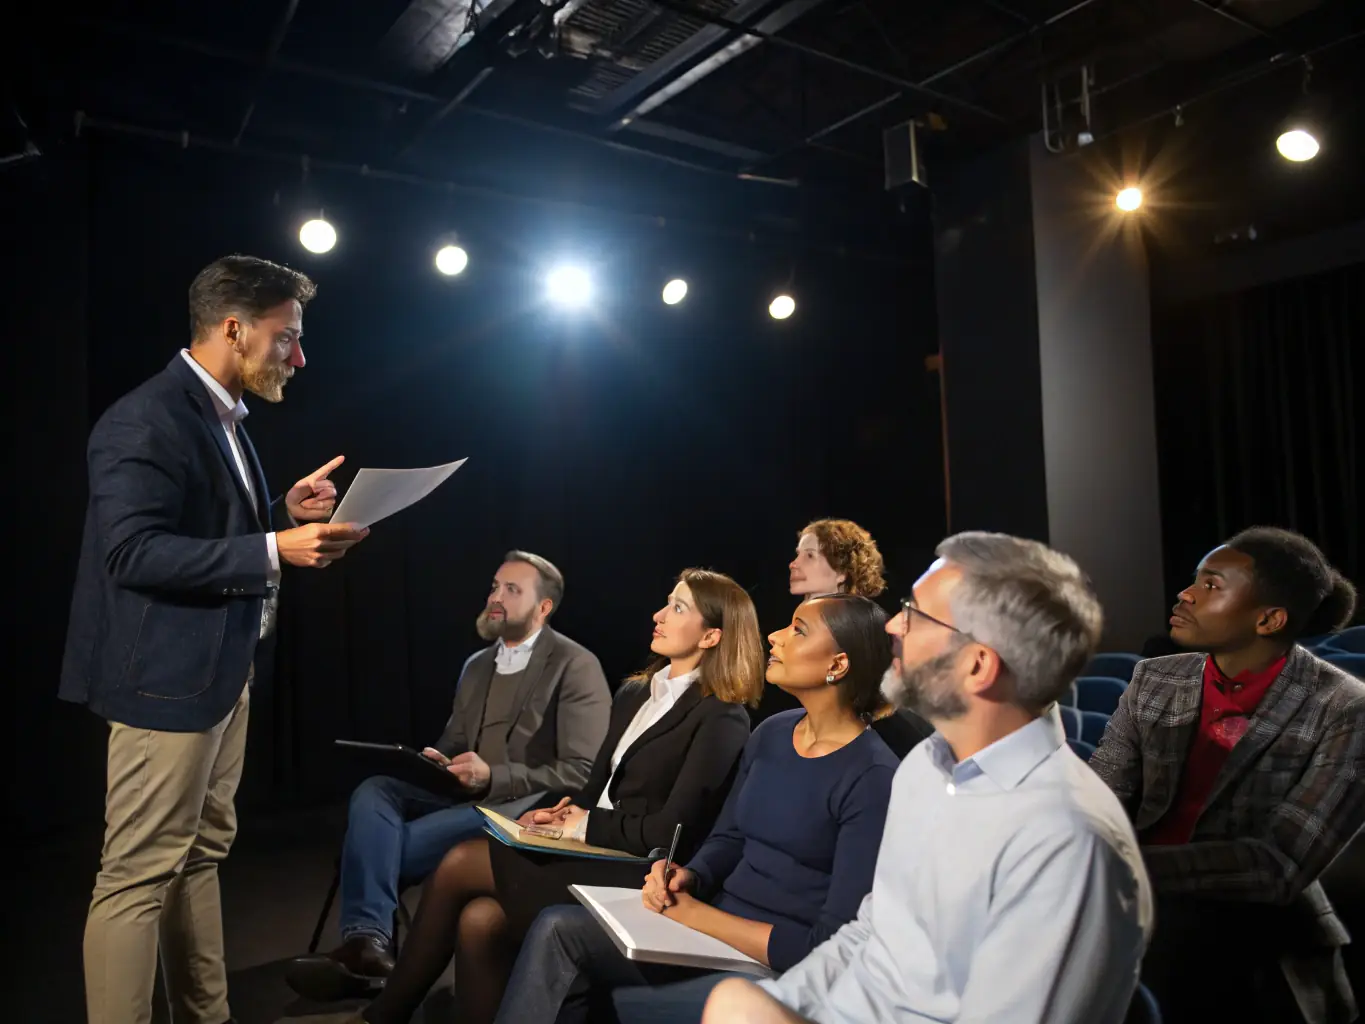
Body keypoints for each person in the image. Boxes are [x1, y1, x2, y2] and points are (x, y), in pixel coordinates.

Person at [59, 254, 369, 1024]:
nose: (299, 356)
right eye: (286, 338)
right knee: (136, 876)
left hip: (220, 676)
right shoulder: (145, 418)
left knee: (199, 857)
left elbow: (200, 524)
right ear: (234, 329)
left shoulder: (221, 414)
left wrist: (276, 510)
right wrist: (274, 548)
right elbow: (131, 553)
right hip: (164, 682)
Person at [703, 532, 1153, 1024]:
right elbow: (869, 934)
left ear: (977, 665)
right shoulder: (925, 766)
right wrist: (781, 1005)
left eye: (916, 615)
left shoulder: (1068, 839)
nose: (894, 624)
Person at [344, 569, 763, 1024]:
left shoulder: (722, 715)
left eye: (678, 608)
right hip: (591, 848)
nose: (659, 614)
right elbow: (594, 787)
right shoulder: (636, 692)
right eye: (666, 601)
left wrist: (582, 824)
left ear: (712, 636)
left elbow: (670, 833)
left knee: (462, 862)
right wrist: (566, 811)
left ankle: (382, 1015)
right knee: (479, 920)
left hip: (637, 871)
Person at [494, 592, 902, 1024]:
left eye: (797, 630)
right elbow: (730, 837)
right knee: (557, 927)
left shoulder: (873, 777)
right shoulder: (774, 733)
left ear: (837, 665)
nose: (775, 636)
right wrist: (689, 874)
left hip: (769, 965)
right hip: (704, 927)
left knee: (618, 1005)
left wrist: (698, 915)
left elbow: (827, 944)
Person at [286, 552, 611, 1001]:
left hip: (519, 808)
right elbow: (456, 741)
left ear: (544, 608)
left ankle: (369, 950)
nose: (495, 597)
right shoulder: (477, 665)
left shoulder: (575, 665)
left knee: (381, 845)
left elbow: (581, 772)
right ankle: (368, 944)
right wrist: (439, 761)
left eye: (512, 590)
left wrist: (492, 776)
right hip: (460, 796)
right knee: (374, 790)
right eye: (495, 586)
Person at [1089, 526, 1364, 1024]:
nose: (1185, 593)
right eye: (1195, 580)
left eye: (1211, 585)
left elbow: (1277, 866)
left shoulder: (1345, 707)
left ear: (1269, 619)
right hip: (1147, 925)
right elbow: (1100, 796)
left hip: (1264, 950)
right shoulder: (1156, 677)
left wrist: (1119, 868)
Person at [782, 518, 931, 758]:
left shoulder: (874, 631)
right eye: (797, 554)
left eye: (809, 556)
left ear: (841, 572)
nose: (793, 564)